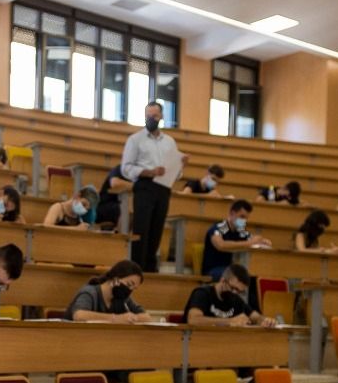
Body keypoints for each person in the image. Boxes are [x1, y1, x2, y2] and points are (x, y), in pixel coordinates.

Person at [121, 102, 186, 272]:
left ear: (162, 116)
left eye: (155, 116)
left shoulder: (170, 141)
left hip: (163, 187)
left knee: (157, 229)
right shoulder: (135, 139)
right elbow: (126, 168)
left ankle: (150, 269)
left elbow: (176, 173)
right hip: (145, 186)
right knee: (141, 228)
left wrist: (181, 165)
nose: (151, 119)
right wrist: (148, 172)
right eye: (148, 116)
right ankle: (135, 268)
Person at [68, 260, 161, 324]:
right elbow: (79, 315)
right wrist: (115, 318)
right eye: (129, 284)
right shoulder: (90, 292)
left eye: (134, 288)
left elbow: (147, 317)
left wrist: (133, 318)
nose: (130, 290)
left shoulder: (123, 298)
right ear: (115, 278)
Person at [200, 200, 270, 277]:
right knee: (240, 275)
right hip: (213, 270)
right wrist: (249, 243)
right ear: (232, 213)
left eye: (246, 218)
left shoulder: (239, 231)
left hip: (230, 269)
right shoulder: (221, 227)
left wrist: (262, 241)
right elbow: (221, 245)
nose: (244, 221)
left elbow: (252, 238)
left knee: (254, 276)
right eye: (242, 217)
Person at [185, 265, 270, 327]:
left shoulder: (236, 299)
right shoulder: (202, 293)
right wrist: (230, 321)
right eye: (233, 288)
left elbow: (255, 316)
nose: (235, 293)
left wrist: (265, 321)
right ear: (222, 280)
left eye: (240, 291)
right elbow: (193, 320)